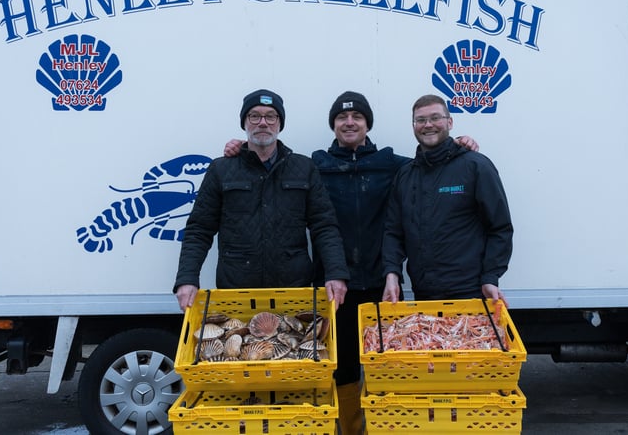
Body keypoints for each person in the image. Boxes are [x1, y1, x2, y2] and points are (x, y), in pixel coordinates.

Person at [225, 90, 478, 435]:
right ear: (333, 125)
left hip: (380, 282)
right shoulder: (314, 165)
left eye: (357, 117)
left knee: (384, 365)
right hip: (334, 286)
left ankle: (385, 426)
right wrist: (240, 149)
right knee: (341, 367)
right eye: (341, 118)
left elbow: (434, 159)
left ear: (367, 124)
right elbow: (272, 164)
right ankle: (351, 428)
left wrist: (460, 145)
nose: (349, 122)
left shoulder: (394, 164)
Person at [173, 88, 349, 312]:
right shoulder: (221, 169)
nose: (263, 122)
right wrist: (187, 278)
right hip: (237, 292)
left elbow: (324, 226)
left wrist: (335, 273)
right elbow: (199, 229)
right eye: (254, 116)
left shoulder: (304, 168)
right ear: (245, 123)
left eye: (271, 116)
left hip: (293, 291)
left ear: (279, 123)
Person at [381, 94, 513, 306]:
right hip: (423, 294)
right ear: (414, 126)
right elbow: (393, 232)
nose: (428, 125)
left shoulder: (476, 166)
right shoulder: (405, 175)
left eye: (435, 118)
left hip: (469, 292)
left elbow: (500, 228)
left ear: (449, 122)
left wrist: (491, 277)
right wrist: (391, 273)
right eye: (421, 120)